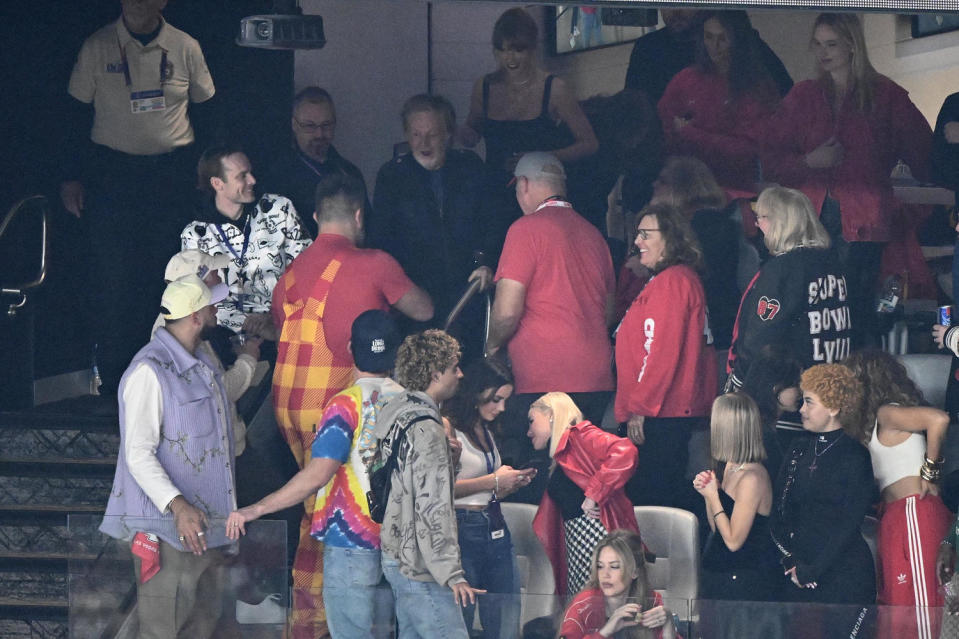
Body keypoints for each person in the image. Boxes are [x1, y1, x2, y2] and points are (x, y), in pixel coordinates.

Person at [271, 172, 432, 638]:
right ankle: (317, 626)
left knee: (313, 506)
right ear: (359, 217)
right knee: (332, 514)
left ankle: (309, 621)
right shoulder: (375, 261)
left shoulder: (292, 271)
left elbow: (281, 325)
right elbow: (422, 308)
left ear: (317, 217)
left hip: (288, 408)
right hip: (333, 408)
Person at [63, 0, 215, 390]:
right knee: (116, 281)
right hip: (114, 177)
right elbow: (72, 118)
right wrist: (70, 177)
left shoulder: (185, 46)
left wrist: (207, 170)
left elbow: (211, 113)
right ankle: (116, 385)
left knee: (174, 277)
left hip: (172, 176)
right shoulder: (97, 46)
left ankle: (175, 380)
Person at [225, 310, 405, 639]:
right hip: (406, 541)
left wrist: (258, 508)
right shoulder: (415, 405)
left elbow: (317, 474)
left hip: (354, 540)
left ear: (350, 348)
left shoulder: (346, 406)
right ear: (396, 353)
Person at [762, 13, 932, 348]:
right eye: (818, 44)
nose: (823, 53)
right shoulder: (804, 96)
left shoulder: (886, 96)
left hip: (863, 219)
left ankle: (856, 387)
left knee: (855, 310)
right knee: (811, 308)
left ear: (852, 45)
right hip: (811, 217)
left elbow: (924, 152)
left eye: (832, 44)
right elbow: (769, 158)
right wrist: (809, 161)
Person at [99, 275, 234, 639]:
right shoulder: (149, 370)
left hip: (207, 530)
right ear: (194, 316)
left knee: (203, 626)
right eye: (211, 305)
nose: (216, 310)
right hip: (168, 532)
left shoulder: (202, 361)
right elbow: (137, 454)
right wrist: (177, 506)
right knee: (163, 630)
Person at [486, 152, 616, 498]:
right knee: (581, 481)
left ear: (524, 185)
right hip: (595, 377)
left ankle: (543, 553)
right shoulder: (594, 235)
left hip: (543, 379)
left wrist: (491, 346)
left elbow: (507, 311)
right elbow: (608, 310)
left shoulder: (524, 229)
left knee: (537, 484)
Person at [372, 330, 483, 638]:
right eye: (453, 367)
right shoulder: (428, 431)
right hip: (420, 564)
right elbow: (432, 507)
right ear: (435, 373)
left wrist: (449, 461)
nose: (460, 374)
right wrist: (452, 574)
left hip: (395, 551)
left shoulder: (396, 416)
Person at [370, 94, 493, 359]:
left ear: (449, 133)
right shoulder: (392, 176)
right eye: (416, 134)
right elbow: (381, 240)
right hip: (415, 297)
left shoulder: (470, 168)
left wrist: (484, 261)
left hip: (467, 292)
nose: (423, 143)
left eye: (432, 135)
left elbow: (491, 222)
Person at [461, 7, 598, 237]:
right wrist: (451, 131)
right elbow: (473, 131)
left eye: (517, 50)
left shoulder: (554, 88)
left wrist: (541, 157)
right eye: (502, 50)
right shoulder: (484, 87)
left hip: (539, 196)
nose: (509, 58)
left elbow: (590, 143)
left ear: (532, 48)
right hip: (495, 194)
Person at [614, 202, 716, 509]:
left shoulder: (673, 281)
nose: (636, 242)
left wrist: (640, 406)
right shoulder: (674, 279)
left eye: (645, 234)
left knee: (652, 503)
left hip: (659, 415)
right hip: (664, 412)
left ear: (670, 238)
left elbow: (659, 349)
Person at [845, 350, 951, 639]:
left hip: (914, 511)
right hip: (895, 518)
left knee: (919, 606)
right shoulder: (872, 423)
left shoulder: (887, 412)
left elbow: (938, 419)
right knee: (896, 606)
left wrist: (930, 471)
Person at [443, 358, 536, 638]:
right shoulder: (447, 426)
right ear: (476, 393)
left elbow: (486, 486)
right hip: (462, 526)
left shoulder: (486, 428)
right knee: (464, 615)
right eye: (496, 399)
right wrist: (494, 480)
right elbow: (443, 488)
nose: (501, 408)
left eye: (505, 400)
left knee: (506, 611)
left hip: (494, 522)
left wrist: (508, 484)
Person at [771, 364, 876, 610]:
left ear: (833, 407)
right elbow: (779, 510)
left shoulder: (855, 455)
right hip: (797, 571)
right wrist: (791, 561)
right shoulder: (798, 448)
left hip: (843, 574)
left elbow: (850, 522)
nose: (801, 409)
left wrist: (814, 570)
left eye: (809, 402)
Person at [726, 186, 852, 391]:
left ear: (781, 220)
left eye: (761, 216)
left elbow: (761, 336)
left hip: (786, 392)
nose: (757, 224)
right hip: (829, 384)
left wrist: (739, 380)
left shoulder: (783, 268)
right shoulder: (831, 263)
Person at [182, 144, 310, 338]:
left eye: (250, 172)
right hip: (230, 341)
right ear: (218, 183)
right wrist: (245, 322)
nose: (252, 180)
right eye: (242, 176)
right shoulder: (196, 234)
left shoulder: (278, 209)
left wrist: (277, 319)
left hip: (289, 330)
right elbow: (198, 298)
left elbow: (308, 267)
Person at [153, 249, 263, 457]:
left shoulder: (184, 327)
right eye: (214, 273)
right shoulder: (178, 338)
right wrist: (248, 358)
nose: (221, 277)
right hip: (212, 457)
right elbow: (218, 392)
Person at [528, 392, 639, 597]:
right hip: (580, 542)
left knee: (594, 608)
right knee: (583, 609)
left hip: (596, 540)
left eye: (532, 421)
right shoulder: (566, 449)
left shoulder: (580, 435)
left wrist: (594, 494)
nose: (529, 431)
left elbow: (626, 450)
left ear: (551, 415)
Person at [658, 12, 781, 191]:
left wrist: (690, 133)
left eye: (722, 38)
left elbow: (747, 151)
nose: (714, 46)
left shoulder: (758, 88)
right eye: (709, 37)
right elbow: (663, 129)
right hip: (688, 188)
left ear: (738, 40)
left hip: (738, 190)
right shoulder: (685, 80)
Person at [693, 393, 778, 639]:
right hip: (717, 575)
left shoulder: (752, 477)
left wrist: (713, 496)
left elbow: (733, 542)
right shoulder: (730, 465)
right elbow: (717, 530)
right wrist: (710, 492)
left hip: (742, 583)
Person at [650, 156, 755, 349]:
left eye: (663, 181)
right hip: (712, 334)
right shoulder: (713, 223)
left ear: (683, 187)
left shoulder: (707, 227)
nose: (654, 184)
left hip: (707, 338)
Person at [624, 9, 791, 108]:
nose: (674, 11)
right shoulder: (647, 48)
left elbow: (785, 95)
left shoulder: (739, 38)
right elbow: (635, 114)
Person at [263, 86, 368, 239]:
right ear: (294, 125)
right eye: (310, 126)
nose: (319, 134)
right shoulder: (277, 177)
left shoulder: (349, 173)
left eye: (326, 125)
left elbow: (368, 231)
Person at [558, 530, 677, 639]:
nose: (605, 574)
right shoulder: (584, 604)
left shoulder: (651, 600)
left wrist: (668, 624)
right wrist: (605, 632)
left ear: (634, 572)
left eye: (614, 567)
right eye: (600, 566)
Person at [739, 348, 804, 479]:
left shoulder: (751, 424)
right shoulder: (763, 437)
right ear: (775, 387)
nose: (801, 391)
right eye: (796, 384)